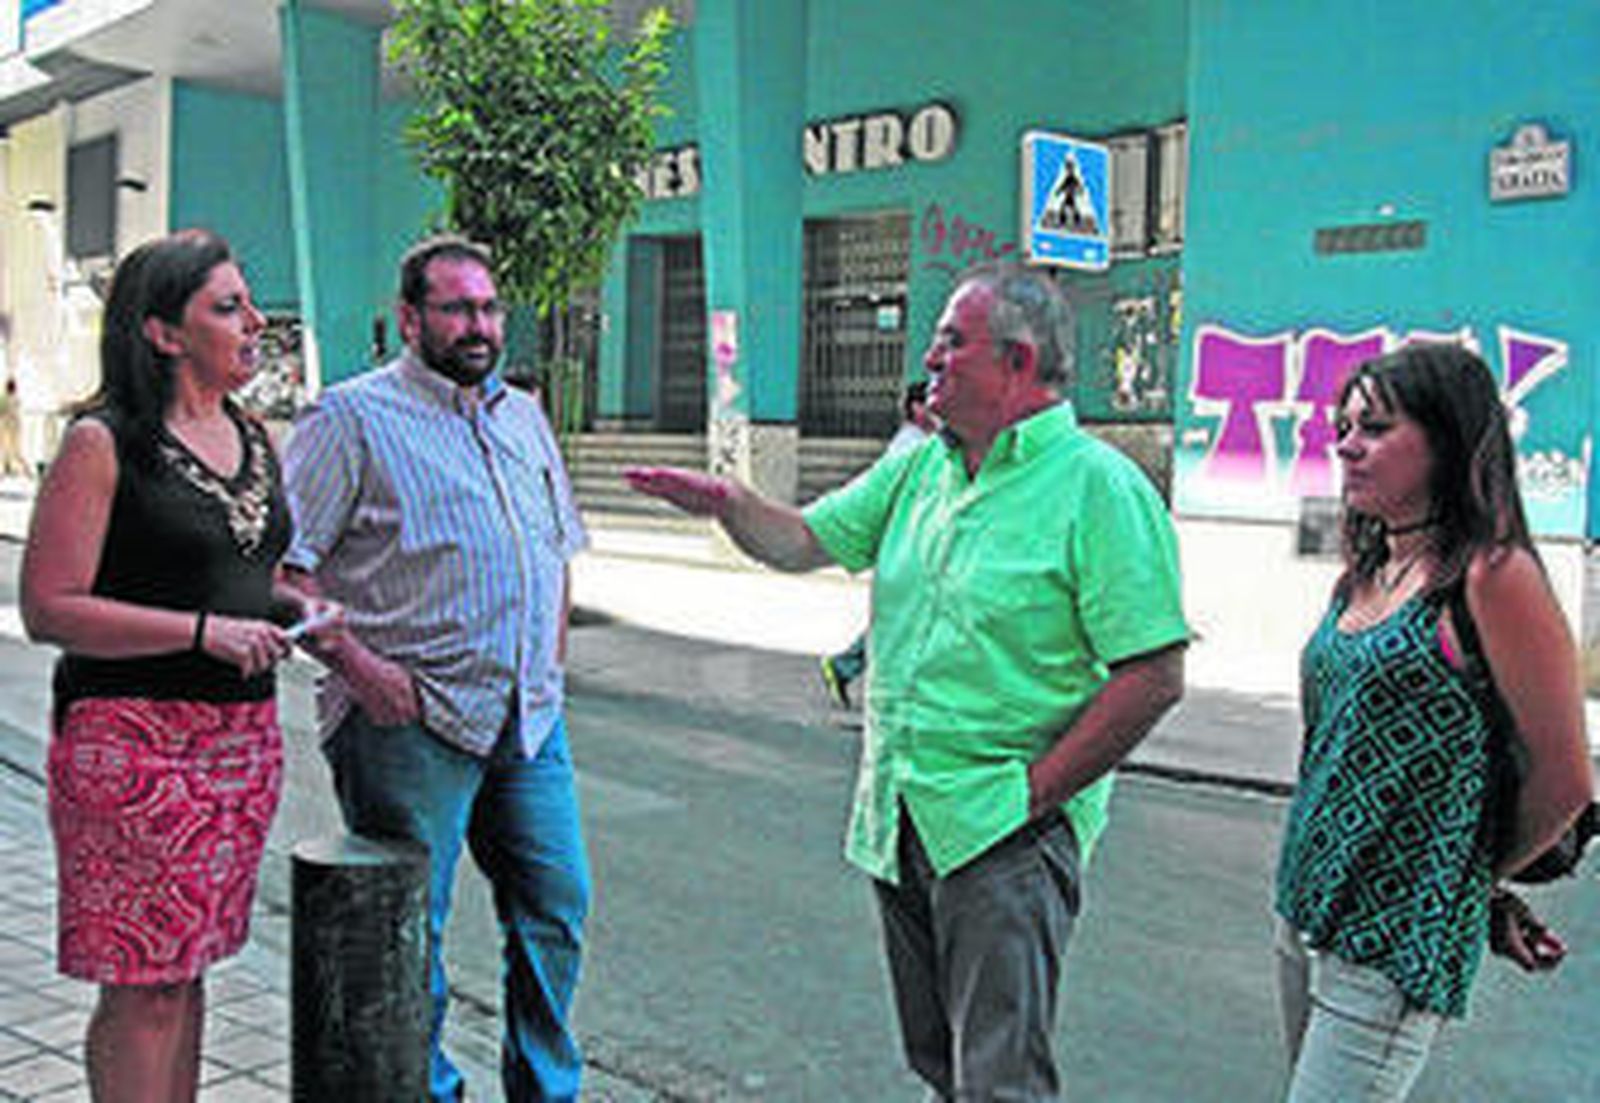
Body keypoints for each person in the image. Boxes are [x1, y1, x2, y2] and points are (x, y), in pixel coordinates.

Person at [627, 261, 1188, 1100]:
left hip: (1005, 831)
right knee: (940, 1063)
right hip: (902, 811)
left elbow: (1153, 673)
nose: (931, 358)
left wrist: (1035, 794)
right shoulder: (921, 469)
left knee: (1000, 1079)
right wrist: (729, 502)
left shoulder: (1098, 487)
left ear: (1020, 362)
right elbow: (802, 542)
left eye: (952, 343)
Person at [19, 229, 332, 1100]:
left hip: (240, 744)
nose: (255, 320)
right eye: (227, 307)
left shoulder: (255, 434)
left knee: (187, 967)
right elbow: (50, 607)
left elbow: (248, 574)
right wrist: (202, 633)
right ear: (162, 332)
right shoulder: (103, 442)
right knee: (144, 982)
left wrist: (294, 605)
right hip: (131, 743)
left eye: (248, 302)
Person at [281, 235, 590, 1102]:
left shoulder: (522, 415)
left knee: (555, 911)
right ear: (410, 318)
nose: (479, 325)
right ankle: (430, 1092)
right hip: (406, 724)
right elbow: (283, 574)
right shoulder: (349, 418)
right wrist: (357, 665)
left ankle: (545, 1089)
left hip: (529, 720)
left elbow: (557, 551)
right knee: (409, 931)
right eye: (457, 308)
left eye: (489, 307)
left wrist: (549, 663)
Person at [1273, 343, 1595, 1101]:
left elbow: (1568, 778)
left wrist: (1471, 879)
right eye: (1343, 426)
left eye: (1376, 427)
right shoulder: (1368, 566)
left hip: (1390, 942)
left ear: (1449, 440)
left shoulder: (1490, 572)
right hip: (1305, 908)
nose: (1346, 445)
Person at [817, 377, 936, 708]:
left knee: (909, 617)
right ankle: (848, 667)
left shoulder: (924, 443)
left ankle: (846, 666)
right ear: (916, 409)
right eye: (930, 401)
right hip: (909, 547)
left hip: (917, 546)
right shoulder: (910, 448)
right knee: (906, 618)